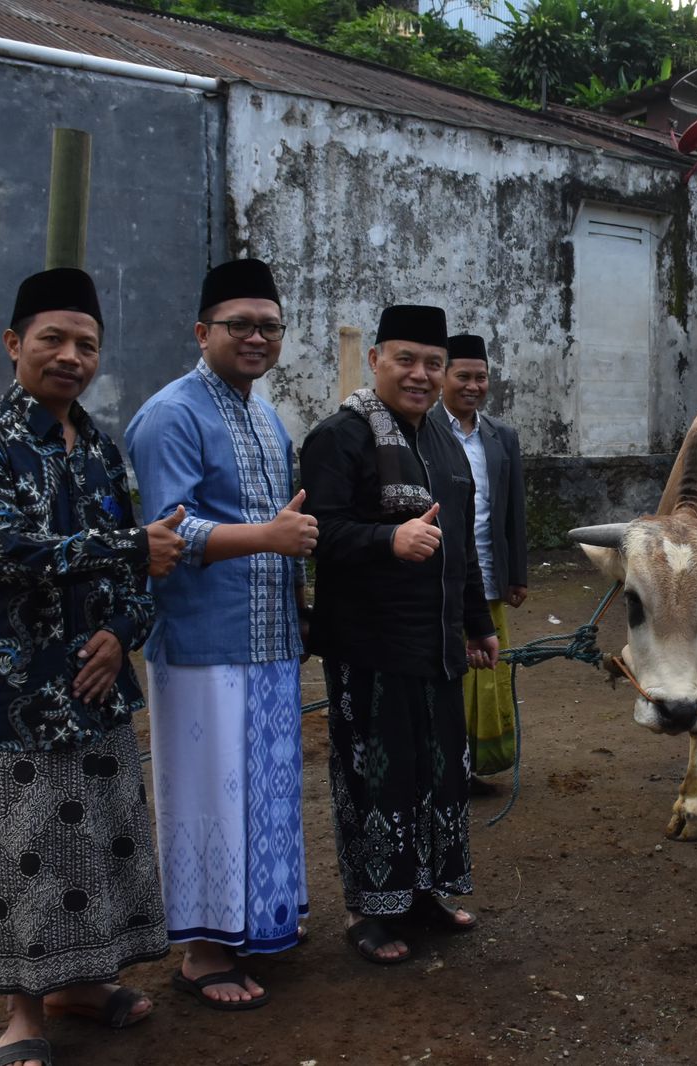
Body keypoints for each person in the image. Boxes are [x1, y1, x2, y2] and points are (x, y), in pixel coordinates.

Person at [0, 268, 187, 1066]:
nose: (70, 356)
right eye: (53, 339)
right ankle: (24, 1013)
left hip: (98, 681)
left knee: (103, 839)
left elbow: (142, 571)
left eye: (87, 345)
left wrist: (121, 632)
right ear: (15, 345)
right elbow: (2, 550)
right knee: (28, 845)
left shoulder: (101, 450)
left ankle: (82, 983)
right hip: (16, 689)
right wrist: (130, 549)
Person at [124, 258, 317, 1010]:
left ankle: (260, 923)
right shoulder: (172, 413)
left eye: (269, 325)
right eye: (240, 324)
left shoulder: (263, 413)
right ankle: (204, 951)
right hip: (203, 643)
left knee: (267, 790)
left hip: (268, 637)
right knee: (209, 796)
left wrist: (287, 555)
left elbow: (285, 526)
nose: (256, 337)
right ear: (202, 332)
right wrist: (269, 536)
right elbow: (168, 529)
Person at [300, 304, 499, 966]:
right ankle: (368, 911)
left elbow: (462, 545)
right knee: (374, 779)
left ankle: (424, 895)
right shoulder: (341, 437)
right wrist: (390, 537)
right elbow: (318, 534)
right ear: (378, 359)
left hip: (437, 646)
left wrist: (477, 622)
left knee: (441, 775)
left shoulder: (443, 440)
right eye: (406, 360)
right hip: (370, 648)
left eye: (432, 364)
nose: (419, 375)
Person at [435, 333, 528, 795]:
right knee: (449, 673)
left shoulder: (501, 437)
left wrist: (518, 576)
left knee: (488, 676)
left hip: (489, 576)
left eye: (481, 377)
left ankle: (474, 765)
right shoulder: (425, 430)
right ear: (443, 378)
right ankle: (447, 765)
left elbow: (513, 512)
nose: (473, 386)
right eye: (463, 376)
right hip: (441, 582)